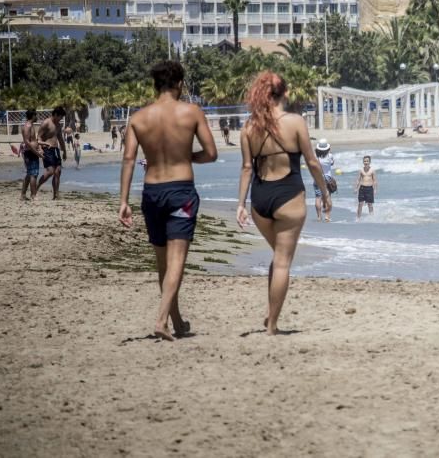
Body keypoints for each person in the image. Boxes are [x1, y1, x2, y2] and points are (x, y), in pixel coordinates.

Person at [119, 61, 218, 341]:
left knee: (163, 262)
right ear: (180, 84)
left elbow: (128, 159)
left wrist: (123, 201)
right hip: (181, 193)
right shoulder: (191, 112)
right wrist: (187, 157)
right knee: (176, 263)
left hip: (151, 192)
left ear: (155, 84)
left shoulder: (138, 118)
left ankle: (176, 319)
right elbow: (211, 153)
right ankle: (162, 320)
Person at [236, 71, 330, 336]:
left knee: (278, 258)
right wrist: (324, 193)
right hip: (288, 195)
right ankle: (273, 326)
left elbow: (246, 168)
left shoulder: (248, 127)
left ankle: (269, 313)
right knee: (282, 263)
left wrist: (240, 204)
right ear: (284, 93)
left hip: (260, 199)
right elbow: (312, 162)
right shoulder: (295, 122)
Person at [35, 107, 67, 199]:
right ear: (56, 114)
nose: (61, 119)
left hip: (56, 149)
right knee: (50, 171)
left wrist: (64, 151)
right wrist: (40, 149)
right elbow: (39, 138)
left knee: (58, 172)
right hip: (47, 149)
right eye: (60, 117)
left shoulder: (58, 125)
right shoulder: (46, 123)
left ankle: (56, 195)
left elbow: (60, 138)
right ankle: (35, 189)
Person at [19, 109, 41, 201]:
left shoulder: (30, 125)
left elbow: (32, 140)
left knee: (29, 174)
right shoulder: (28, 126)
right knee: (34, 174)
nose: (37, 117)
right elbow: (27, 142)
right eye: (36, 115)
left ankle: (23, 195)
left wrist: (39, 148)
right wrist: (36, 152)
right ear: (32, 116)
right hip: (30, 152)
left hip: (30, 152)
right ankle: (33, 195)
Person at [313, 139, 335, 222]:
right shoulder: (330, 156)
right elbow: (332, 163)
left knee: (318, 197)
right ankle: (327, 216)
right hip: (327, 178)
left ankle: (319, 217)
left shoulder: (315, 156)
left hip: (317, 178)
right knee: (327, 197)